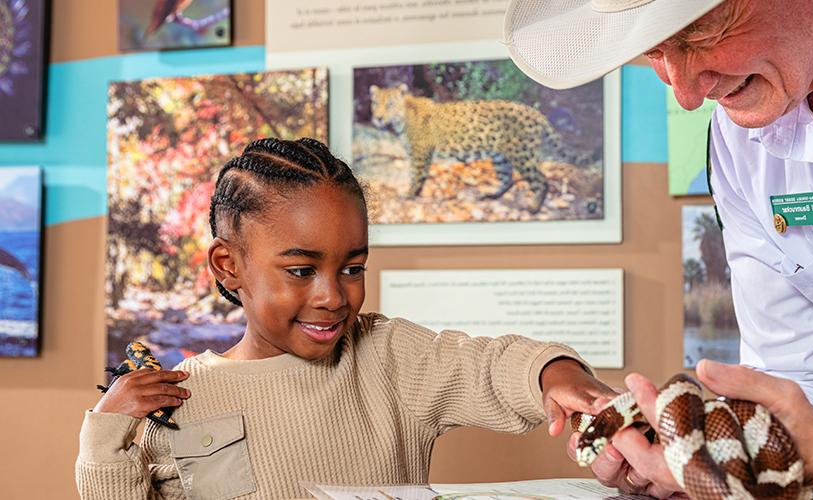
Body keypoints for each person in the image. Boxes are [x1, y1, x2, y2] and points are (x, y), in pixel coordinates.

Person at [505, 0, 813, 498]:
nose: (687, 94)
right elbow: (802, 378)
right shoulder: (740, 141)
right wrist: (718, 460)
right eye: (656, 52)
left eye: (700, 33)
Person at [75, 137, 614, 499]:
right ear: (228, 265)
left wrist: (557, 377)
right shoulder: (175, 402)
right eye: (302, 270)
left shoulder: (388, 355)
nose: (334, 296)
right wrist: (106, 435)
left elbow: (488, 365)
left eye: (352, 267)